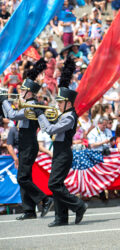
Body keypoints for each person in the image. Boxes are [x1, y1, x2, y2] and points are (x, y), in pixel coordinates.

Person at [34, 57, 87, 227]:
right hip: (59, 151)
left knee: (54, 184)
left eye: (60, 102)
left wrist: (40, 114)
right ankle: (61, 218)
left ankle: (79, 206)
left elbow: (50, 129)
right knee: (57, 184)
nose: (57, 105)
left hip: (64, 153)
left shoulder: (70, 116)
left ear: (67, 103)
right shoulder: (63, 113)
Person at [0, 59, 53, 221]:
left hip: (29, 143)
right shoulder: (27, 103)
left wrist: (4, 100)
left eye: (22, 90)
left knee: (22, 177)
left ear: (29, 92)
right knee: (25, 177)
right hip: (25, 142)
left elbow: (12, 115)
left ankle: (44, 199)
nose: (20, 92)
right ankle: (29, 210)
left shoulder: (32, 105)